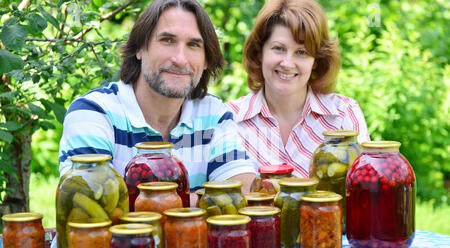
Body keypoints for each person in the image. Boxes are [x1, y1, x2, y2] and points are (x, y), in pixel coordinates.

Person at [58, 0, 256, 201]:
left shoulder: (214, 115)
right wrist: (208, 201)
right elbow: (90, 202)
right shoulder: (92, 113)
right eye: (167, 40)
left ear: (206, 60)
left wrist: (141, 201)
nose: (180, 59)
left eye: (193, 45)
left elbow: (243, 193)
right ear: (140, 49)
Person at [226, 0, 370, 177]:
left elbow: (363, 188)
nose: (287, 63)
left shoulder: (343, 115)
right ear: (259, 52)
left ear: (316, 61)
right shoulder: (229, 120)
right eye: (278, 48)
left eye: (301, 52)